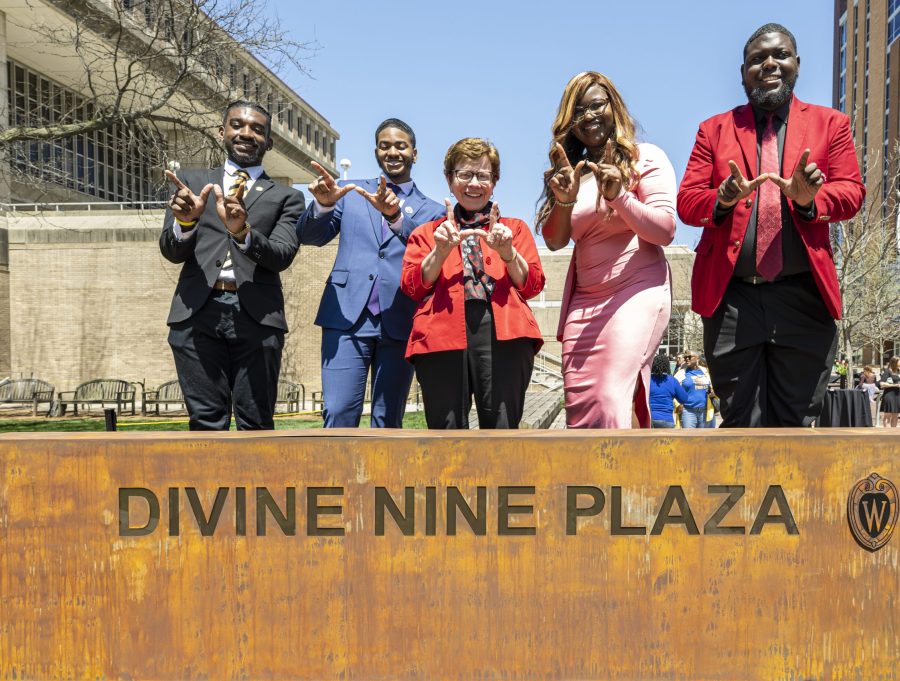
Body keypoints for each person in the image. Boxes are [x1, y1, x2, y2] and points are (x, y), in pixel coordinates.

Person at [677, 23, 865, 427]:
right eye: (757, 59)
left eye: (779, 54)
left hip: (803, 297)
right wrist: (723, 199)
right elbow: (688, 203)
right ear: (742, 72)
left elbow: (852, 192)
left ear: (796, 63)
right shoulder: (714, 130)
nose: (769, 64)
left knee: (796, 425)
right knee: (740, 423)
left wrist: (809, 200)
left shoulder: (830, 124)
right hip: (731, 300)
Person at [537, 71, 677, 428]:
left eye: (596, 105)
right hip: (584, 305)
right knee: (583, 407)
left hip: (635, 291)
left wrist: (619, 196)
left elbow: (664, 230)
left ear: (613, 106)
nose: (589, 116)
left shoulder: (646, 158)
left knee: (611, 396)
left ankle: (623, 481)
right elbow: (554, 240)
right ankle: (587, 482)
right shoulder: (572, 171)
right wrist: (565, 201)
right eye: (579, 111)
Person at [160, 100, 303, 430]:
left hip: (256, 316)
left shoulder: (287, 197)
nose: (246, 133)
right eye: (237, 125)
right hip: (196, 312)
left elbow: (282, 255)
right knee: (206, 421)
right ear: (221, 131)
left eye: (257, 129)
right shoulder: (190, 184)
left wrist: (242, 232)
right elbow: (171, 251)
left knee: (256, 424)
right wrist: (185, 223)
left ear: (269, 142)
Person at [297, 119, 444, 428]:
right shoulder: (350, 194)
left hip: (399, 318)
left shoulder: (432, 210)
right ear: (376, 151)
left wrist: (395, 218)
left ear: (414, 154)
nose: (393, 152)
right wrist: (322, 207)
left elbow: (429, 249)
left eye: (401, 146)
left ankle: (382, 479)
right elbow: (311, 237)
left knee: (388, 420)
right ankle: (336, 478)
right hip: (346, 317)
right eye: (385, 145)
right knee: (337, 412)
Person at [401, 138, 545, 429]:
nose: (474, 184)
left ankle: (503, 477)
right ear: (449, 179)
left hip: (504, 333)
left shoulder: (514, 229)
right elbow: (412, 287)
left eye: (483, 175)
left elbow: (532, 286)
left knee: (502, 428)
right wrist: (440, 252)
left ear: (495, 181)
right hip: (441, 332)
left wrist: (508, 253)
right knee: (446, 431)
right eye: (465, 174)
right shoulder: (427, 233)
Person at [649, 354, 689, 428]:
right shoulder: (672, 380)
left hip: (649, 420)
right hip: (666, 419)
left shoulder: (647, 380)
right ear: (667, 366)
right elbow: (684, 399)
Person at [674, 351, 711, 428]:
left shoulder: (705, 371)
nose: (687, 359)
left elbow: (712, 385)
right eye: (685, 357)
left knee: (703, 438)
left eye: (689, 357)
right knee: (689, 438)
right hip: (688, 411)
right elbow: (673, 389)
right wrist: (678, 404)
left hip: (705, 411)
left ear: (697, 358)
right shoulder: (681, 373)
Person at [878, 356, 900, 428]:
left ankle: (893, 434)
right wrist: (895, 385)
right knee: (887, 417)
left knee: (895, 417)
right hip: (889, 395)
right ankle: (886, 434)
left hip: (898, 396)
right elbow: (881, 384)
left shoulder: (899, 371)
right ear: (895, 362)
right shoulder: (888, 371)